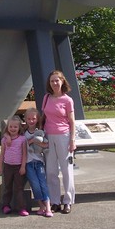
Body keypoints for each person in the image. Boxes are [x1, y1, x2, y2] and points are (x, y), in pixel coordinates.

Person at [42, 69, 76, 214]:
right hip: (49, 136)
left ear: (62, 81)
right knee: (51, 170)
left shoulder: (67, 100)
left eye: (57, 80)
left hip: (64, 136)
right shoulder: (46, 98)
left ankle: (68, 201)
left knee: (66, 170)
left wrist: (72, 140)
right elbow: (44, 117)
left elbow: (72, 122)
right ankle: (55, 201)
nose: (55, 83)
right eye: (52, 81)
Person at [23, 107, 53, 217]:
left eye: (33, 118)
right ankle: (41, 205)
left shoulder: (40, 132)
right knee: (35, 185)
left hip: (39, 161)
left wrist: (35, 141)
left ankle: (48, 207)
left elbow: (46, 144)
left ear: (37, 119)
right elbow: (23, 146)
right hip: (29, 163)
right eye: (29, 119)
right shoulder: (24, 133)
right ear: (25, 119)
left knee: (43, 184)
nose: (31, 121)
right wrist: (30, 141)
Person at [0, 115, 29, 216]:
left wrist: (23, 166)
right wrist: (0, 167)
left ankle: (21, 208)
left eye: (15, 127)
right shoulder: (4, 140)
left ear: (19, 128)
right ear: (7, 128)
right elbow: (2, 154)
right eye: (10, 127)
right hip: (7, 166)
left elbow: (25, 154)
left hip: (18, 167)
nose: (13, 129)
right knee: (7, 187)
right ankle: (6, 205)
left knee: (19, 188)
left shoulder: (22, 139)